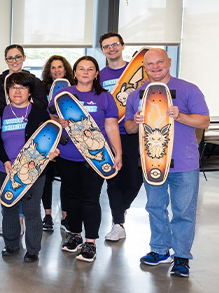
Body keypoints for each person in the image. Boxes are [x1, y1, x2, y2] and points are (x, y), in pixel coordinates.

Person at [125, 48, 209, 278]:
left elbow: (204, 121)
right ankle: (160, 250)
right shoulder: (136, 95)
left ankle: (181, 257)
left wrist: (180, 116)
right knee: (154, 207)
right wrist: (136, 121)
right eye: (150, 64)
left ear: (169, 62)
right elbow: (129, 128)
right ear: (145, 66)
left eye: (160, 62)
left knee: (183, 211)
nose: (155, 67)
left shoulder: (189, 89)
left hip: (184, 162)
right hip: (152, 161)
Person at [52, 56, 122, 263]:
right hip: (67, 156)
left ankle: (90, 243)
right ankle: (75, 235)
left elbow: (111, 127)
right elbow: (51, 117)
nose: (85, 72)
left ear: (96, 73)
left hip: (96, 158)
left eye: (90, 69)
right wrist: (58, 120)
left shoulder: (105, 97)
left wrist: (118, 153)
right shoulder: (63, 94)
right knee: (71, 197)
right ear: (74, 73)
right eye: (81, 69)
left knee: (91, 199)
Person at [0, 72, 57, 263]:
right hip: (8, 169)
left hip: (34, 170)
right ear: (8, 91)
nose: (17, 91)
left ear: (29, 91)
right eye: (13, 87)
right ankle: (11, 244)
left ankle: (33, 250)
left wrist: (51, 152)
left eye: (22, 87)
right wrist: (4, 161)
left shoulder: (38, 112)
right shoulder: (1, 111)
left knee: (31, 210)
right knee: (9, 207)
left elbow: (49, 137)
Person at [99, 32, 143, 242]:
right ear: (102, 50)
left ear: (122, 46)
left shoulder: (137, 71)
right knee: (113, 179)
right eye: (106, 46)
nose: (111, 49)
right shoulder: (99, 76)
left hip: (133, 133)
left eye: (115, 44)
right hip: (108, 134)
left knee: (135, 179)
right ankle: (118, 223)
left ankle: (121, 208)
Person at [39, 55, 74, 233]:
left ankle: (65, 216)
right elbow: (37, 110)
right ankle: (47, 215)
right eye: (53, 67)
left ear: (66, 69)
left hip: (68, 139)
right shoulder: (41, 88)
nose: (56, 70)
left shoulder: (72, 88)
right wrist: (50, 117)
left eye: (60, 67)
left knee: (67, 180)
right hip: (49, 136)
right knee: (46, 179)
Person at [0, 44, 47, 114]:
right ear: (6, 60)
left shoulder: (35, 81)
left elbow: (43, 105)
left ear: (24, 58)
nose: (14, 61)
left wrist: (26, 100)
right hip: (4, 122)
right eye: (10, 58)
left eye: (18, 57)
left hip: (30, 121)